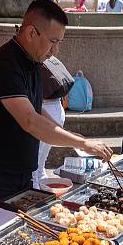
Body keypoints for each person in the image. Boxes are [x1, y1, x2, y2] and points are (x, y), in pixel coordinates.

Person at [0, 0, 112, 215]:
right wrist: (82, 143)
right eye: (53, 41)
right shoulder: (4, 64)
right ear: (32, 33)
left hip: (19, 170)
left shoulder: (31, 61)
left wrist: (72, 137)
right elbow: (29, 121)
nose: (56, 50)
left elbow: (34, 109)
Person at [33, 55, 75, 188]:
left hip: (45, 107)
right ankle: (42, 188)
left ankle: (37, 190)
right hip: (57, 107)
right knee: (40, 162)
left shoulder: (33, 57)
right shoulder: (49, 56)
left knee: (35, 162)